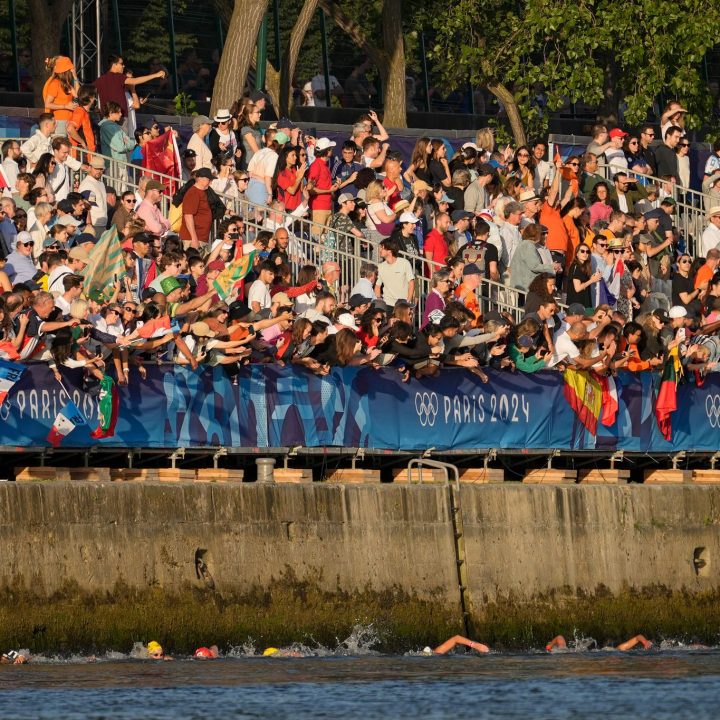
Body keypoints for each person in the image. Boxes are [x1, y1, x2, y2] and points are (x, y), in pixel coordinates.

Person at [94, 55, 165, 120]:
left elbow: (88, 90)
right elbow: (135, 81)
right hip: (120, 118)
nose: (123, 66)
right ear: (114, 64)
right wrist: (156, 75)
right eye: (121, 64)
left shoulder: (100, 80)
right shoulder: (119, 77)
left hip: (106, 118)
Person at [42, 56, 78, 135]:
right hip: (59, 122)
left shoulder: (66, 85)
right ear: (65, 71)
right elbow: (47, 104)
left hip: (69, 121)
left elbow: (77, 96)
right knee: (61, 146)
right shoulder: (55, 84)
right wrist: (65, 106)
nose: (71, 71)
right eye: (69, 69)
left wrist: (75, 77)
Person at [179, 169, 214, 249]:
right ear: (201, 179)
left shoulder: (202, 192)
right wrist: (194, 238)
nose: (211, 182)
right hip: (192, 239)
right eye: (209, 180)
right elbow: (188, 216)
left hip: (201, 238)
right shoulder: (193, 193)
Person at [375, 238, 415, 306]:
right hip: (387, 304)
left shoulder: (404, 263)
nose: (379, 250)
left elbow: (411, 283)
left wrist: (408, 301)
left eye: (382, 248)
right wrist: (379, 302)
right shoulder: (380, 267)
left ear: (389, 251)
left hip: (403, 304)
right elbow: (377, 286)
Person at [546, 635, 652, 652]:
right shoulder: (619, 649)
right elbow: (638, 637)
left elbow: (559, 637)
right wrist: (645, 642)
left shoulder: (566, 652)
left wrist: (550, 645)